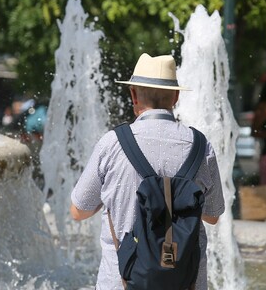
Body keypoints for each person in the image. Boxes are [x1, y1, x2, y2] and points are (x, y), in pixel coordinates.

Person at [70, 54, 225, 290]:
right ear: (176, 96)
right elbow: (212, 215)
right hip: (186, 283)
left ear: (133, 95)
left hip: (122, 282)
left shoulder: (112, 144)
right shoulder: (202, 147)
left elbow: (79, 211)